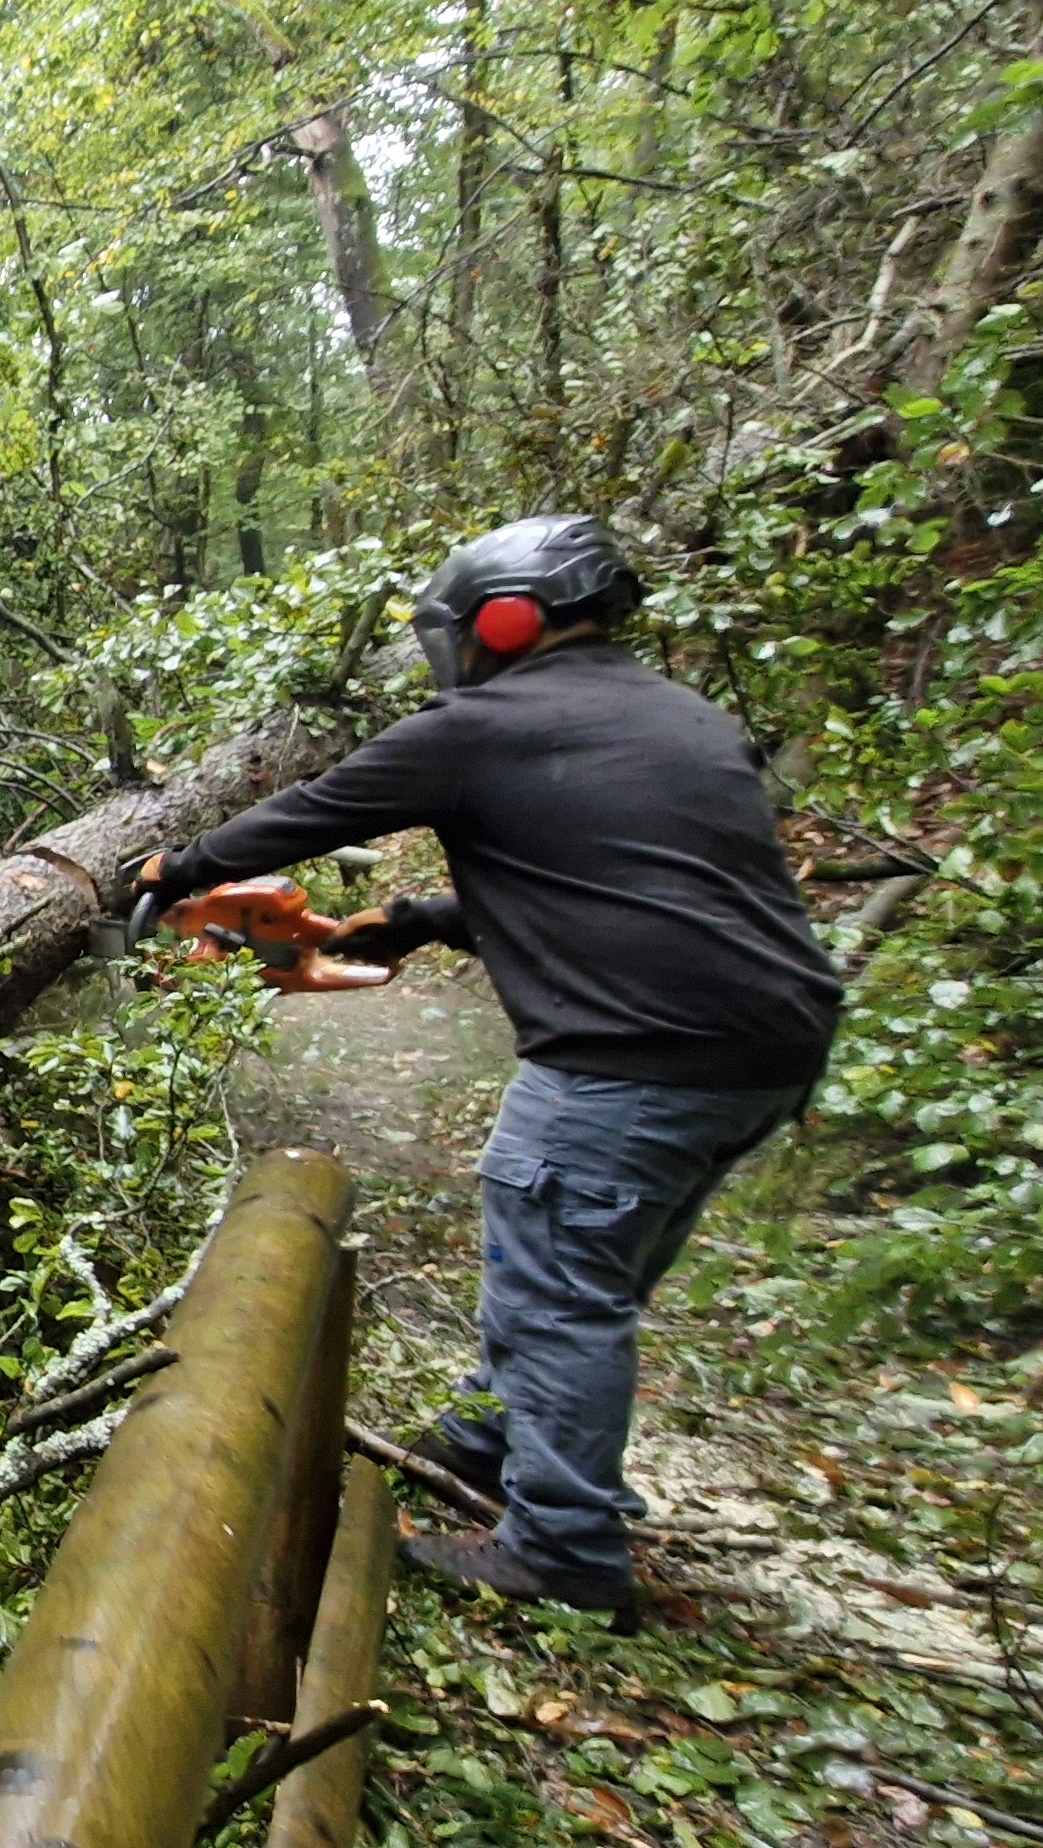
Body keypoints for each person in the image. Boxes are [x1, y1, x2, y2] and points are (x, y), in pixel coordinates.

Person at [132, 513, 843, 1612]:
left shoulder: (481, 725)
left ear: (506, 622)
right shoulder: (681, 719)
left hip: (635, 1054)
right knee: (591, 1266)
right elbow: (616, 880)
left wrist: (174, 864)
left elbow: (316, 811)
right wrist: (416, 918)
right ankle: (485, 1434)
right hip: (767, 1050)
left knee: (562, 1286)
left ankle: (560, 1552)